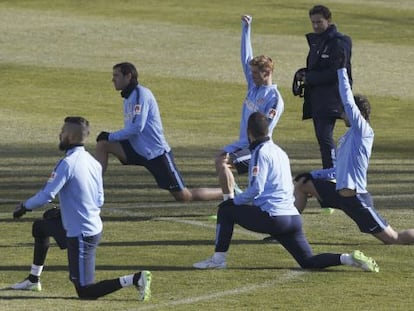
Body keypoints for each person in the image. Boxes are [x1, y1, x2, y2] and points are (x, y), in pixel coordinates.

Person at [193, 111, 378, 272]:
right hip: (292, 218)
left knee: (226, 210)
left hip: (274, 218)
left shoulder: (260, 152)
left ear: (249, 133)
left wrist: (235, 201)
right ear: (267, 130)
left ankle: (218, 260)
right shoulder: (280, 152)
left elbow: (257, 188)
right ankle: (347, 258)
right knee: (308, 261)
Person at [10, 116, 152, 301]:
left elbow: (46, 195)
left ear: (69, 136)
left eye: (62, 131)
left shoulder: (67, 163)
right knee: (40, 227)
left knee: (85, 292)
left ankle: (135, 278)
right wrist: (67, 212)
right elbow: (100, 199)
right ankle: (33, 280)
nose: (59, 134)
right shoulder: (93, 162)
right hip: (84, 225)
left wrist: (23, 206)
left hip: (81, 235)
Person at [294, 64, 414, 245]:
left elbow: (349, 102)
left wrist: (341, 70)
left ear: (356, 113)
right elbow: (338, 170)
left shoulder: (363, 131)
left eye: (344, 111)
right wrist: (313, 174)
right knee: (304, 184)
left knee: (394, 239)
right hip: (339, 195)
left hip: (356, 199)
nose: (342, 114)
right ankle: (287, 229)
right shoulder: (348, 137)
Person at [95, 62, 222, 202]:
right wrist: (108, 138)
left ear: (128, 76)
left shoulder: (139, 94)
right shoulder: (128, 97)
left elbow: (137, 127)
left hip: (155, 153)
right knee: (103, 144)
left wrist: (111, 135)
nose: (113, 79)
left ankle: (228, 190)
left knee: (184, 196)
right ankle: (93, 188)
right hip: (136, 149)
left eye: (116, 75)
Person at [215, 15, 284, 202]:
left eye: (255, 73)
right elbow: (245, 57)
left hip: (257, 148)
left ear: (267, 73)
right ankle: (231, 199)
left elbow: (265, 131)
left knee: (225, 164)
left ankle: (232, 201)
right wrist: (246, 29)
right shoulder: (254, 87)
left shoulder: (274, 99)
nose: (251, 75)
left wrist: (248, 148)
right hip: (243, 143)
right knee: (220, 159)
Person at [293, 5, 352, 169]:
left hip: (331, 98)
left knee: (324, 137)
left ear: (329, 20)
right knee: (322, 137)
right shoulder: (317, 42)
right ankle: (331, 171)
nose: (316, 26)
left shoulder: (339, 43)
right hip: (318, 98)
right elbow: (318, 68)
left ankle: (332, 173)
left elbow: (337, 72)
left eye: (319, 22)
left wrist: (309, 77)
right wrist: (303, 74)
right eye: (313, 22)